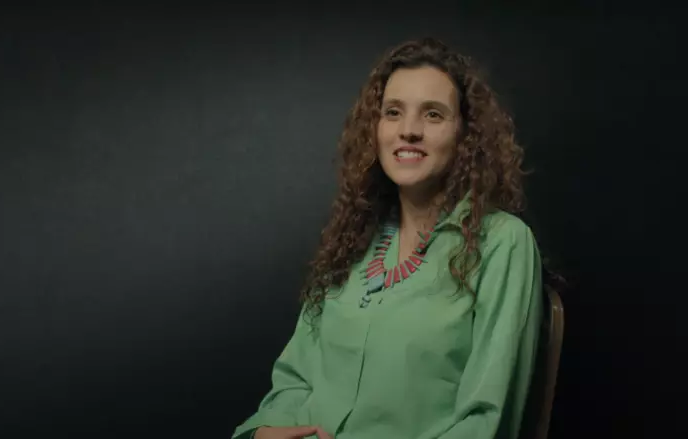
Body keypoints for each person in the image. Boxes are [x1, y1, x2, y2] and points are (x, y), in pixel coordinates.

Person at [232, 37, 546, 439]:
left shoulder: (503, 243)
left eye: (433, 115)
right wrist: (264, 432)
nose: (408, 131)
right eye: (393, 112)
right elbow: (296, 379)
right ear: (375, 128)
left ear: (465, 135)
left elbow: (488, 420)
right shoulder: (353, 239)